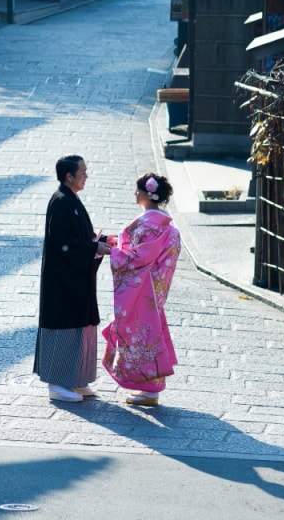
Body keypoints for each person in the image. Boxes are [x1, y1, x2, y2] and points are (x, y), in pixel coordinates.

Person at [101, 173, 181, 407]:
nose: (135, 194)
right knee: (150, 332)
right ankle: (150, 388)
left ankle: (148, 390)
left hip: (141, 288)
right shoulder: (165, 223)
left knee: (139, 335)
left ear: (147, 194)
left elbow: (136, 257)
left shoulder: (148, 224)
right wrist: (116, 243)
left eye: (137, 190)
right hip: (154, 288)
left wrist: (109, 251)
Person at [35, 155, 110, 403]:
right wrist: (95, 248)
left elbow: (79, 237)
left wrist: (99, 241)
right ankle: (57, 384)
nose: (86, 176)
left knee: (81, 327)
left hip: (76, 278)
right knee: (63, 329)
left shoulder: (71, 200)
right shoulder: (60, 202)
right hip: (62, 281)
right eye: (83, 172)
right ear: (69, 176)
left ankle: (77, 380)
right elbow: (63, 244)